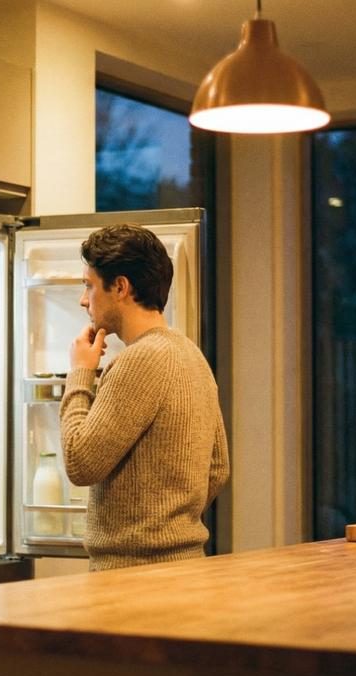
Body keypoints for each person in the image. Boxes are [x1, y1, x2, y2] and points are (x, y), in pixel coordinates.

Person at [59, 223, 229, 571]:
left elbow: (81, 463)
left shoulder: (138, 360)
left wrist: (80, 373)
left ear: (120, 287)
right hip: (185, 566)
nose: (83, 300)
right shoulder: (191, 355)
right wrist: (170, 520)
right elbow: (217, 468)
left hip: (132, 572)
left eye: (89, 286)